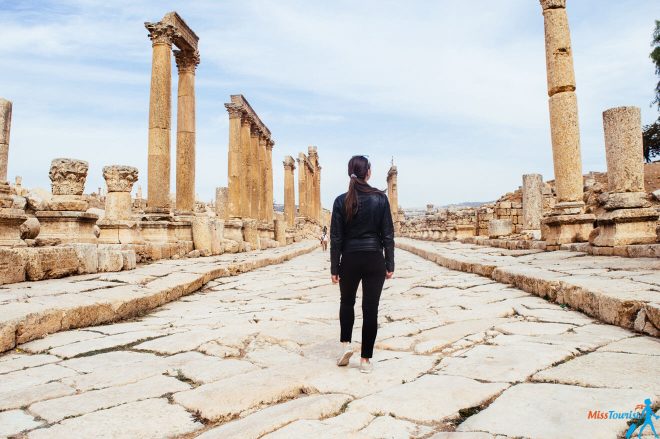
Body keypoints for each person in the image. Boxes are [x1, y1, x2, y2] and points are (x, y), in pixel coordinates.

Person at [330, 155, 394, 374]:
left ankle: (346, 347)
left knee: (346, 302)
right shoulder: (380, 199)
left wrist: (334, 267)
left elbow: (336, 237)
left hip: (349, 258)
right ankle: (365, 360)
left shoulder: (340, 201)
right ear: (368, 172)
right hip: (374, 257)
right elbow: (387, 234)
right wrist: (389, 263)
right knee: (370, 309)